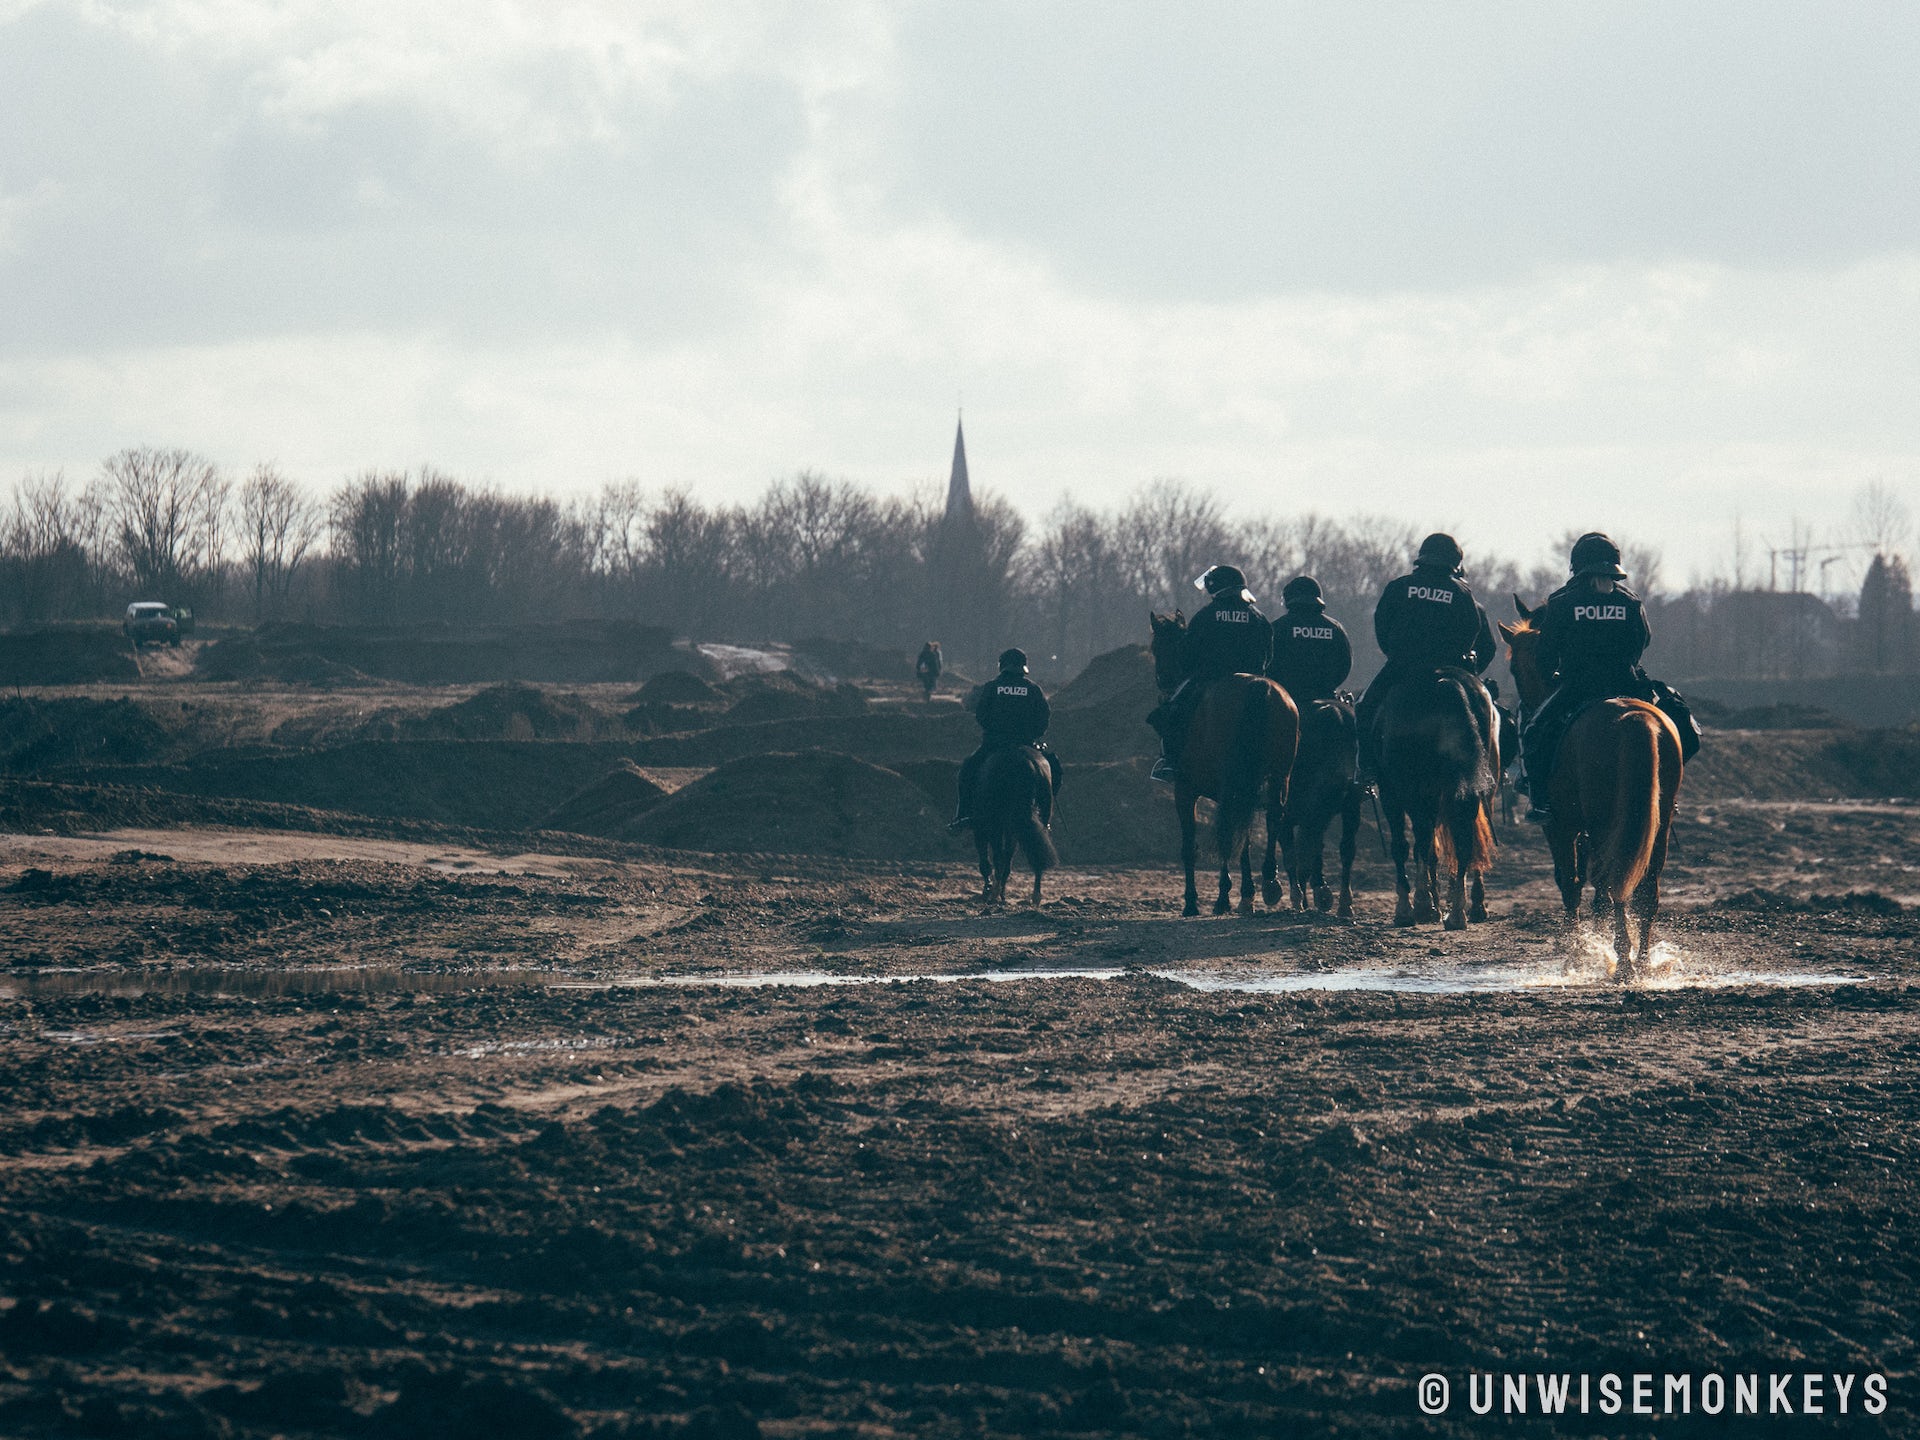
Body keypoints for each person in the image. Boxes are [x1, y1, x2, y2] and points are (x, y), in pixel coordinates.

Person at [1520, 532, 1677, 824]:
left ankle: (1540, 802)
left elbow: (1545, 653)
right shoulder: (1631, 602)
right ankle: (1668, 795)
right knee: (1677, 723)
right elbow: (1643, 640)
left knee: (1534, 733)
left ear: (1577, 567)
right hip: (1627, 684)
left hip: (1578, 687)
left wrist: (1552, 677)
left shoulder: (1562, 602)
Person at [1353, 533, 1495, 785]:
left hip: (1403, 666)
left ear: (1422, 557)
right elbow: (1472, 629)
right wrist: (1458, 661)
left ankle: (1367, 767)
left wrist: (1395, 654)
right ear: (1454, 563)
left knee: (1365, 707)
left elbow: (1382, 624)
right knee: (1483, 711)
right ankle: (1484, 770)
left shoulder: (1399, 587)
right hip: (1450, 669)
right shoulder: (1462, 592)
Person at [1149, 565, 1274, 783]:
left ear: (1216, 588)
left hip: (1210, 679)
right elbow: (1269, 655)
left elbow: (1187, 654)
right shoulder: (1259, 618)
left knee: (1172, 711)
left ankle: (1169, 762)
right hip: (1254, 683)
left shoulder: (1205, 616)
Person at [949, 648, 1053, 831]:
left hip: (994, 744)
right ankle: (1045, 819)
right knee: (1053, 769)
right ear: (1023, 667)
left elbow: (981, 714)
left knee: (967, 770)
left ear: (1002, 666)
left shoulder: (992, 687)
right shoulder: (1033, 689)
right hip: (1025, 744)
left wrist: (994, 731)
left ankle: (963, 815)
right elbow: (1044, 717)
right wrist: (1034, 735)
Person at [1268, 575, 1352, 703]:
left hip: (1287, 697)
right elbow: (1345, 664)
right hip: (1326, 694)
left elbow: (1267, 663)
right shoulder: (1335, 628)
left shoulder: (1278, 627)